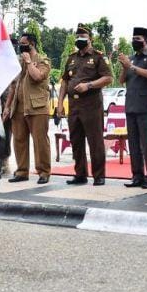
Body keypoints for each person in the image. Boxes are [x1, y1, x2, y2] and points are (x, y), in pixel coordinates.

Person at [57, 25, 112, 185]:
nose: (80, 39)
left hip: (91, 106)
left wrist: (89, 85)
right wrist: (60, 103)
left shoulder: (98, 57)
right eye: (78, 36)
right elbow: (65, 81)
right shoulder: (72, 57)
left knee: (95, 142)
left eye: (83, 37)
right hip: (74, 106)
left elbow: (108, 78)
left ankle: (99, 175)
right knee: (76, 140)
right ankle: (80, 174)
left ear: (90, 39)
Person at [118, 27, 147, 189]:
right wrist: (125, 67)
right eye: (133, 38)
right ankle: (137, 175)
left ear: (146, 41)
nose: (134, 41)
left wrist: (131, 66)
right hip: (131, 106)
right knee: (134, 144)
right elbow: (122, 80)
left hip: (146, 107)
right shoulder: (131, 59)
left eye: (138, 39)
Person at [5, 33, 52, 184]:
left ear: (32, 44)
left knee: (40, 141)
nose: (21, 46)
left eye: (24, 43)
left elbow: (38, 77)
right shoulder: (18, 63)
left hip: (37, 107)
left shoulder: (43, 60)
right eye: (20, 43)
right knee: (19, 140)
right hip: (18, 107)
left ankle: (44, 172)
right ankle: (22, 171)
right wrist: (7, 106)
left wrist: (29, 62)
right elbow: (13, 85)